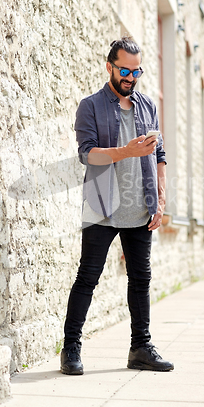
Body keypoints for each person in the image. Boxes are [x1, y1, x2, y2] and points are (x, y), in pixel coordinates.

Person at [60, 37, 174, 375]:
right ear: (110, 66)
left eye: (136, 71)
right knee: (87, 278)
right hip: (101, 206)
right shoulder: (90, 106)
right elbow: (87, 154)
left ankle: (141, 347)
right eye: (124, 69)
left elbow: (160, 156)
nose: (130, 77)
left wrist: (161, 197)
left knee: (141, 279)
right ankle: (71, 349)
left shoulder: (148, 107)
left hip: (141, 208)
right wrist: (126, 151)